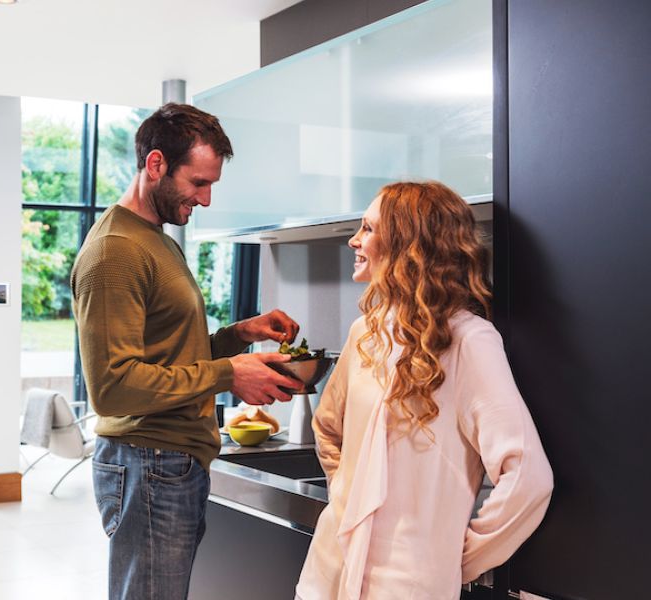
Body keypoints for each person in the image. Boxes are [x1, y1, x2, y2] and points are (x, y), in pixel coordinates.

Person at [70, 103, 303, 600]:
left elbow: (169, 353)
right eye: (198, 183)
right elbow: (113, 388)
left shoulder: (157, 241)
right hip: (147, 460)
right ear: (156, 165)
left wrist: (241, 334)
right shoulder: (115, 251)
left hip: (170, 462)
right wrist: (228, 375)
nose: (207, 198)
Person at [295, 181, 554, 599]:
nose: (353, 240)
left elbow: (528, 478)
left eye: (368, 228)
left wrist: (457, 557)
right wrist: (349, 497)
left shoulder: (469, 341)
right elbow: (327, 425)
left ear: (407, 244)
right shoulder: (366, 332)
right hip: (328, 573)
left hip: (407, 587)